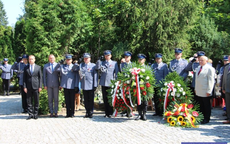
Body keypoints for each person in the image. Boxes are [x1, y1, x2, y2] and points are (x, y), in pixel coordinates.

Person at [97, 50, 119, 118]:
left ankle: (110, 112)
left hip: (111, 83)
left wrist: (116, 82)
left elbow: (117, 73)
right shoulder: (102, 63)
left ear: (111, 56)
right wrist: (98, 61)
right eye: (106, 55)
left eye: (108, 55)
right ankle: (106, 113)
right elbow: (97, 68)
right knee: (105, 98)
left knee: (110, 98)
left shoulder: (114, 63)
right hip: (103, 82)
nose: (107, 57)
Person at [195, 56, 215, 124]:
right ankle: (202, 117)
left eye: (202, 60)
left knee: (206, 105)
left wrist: (209, 91)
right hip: (199, 90)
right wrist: (195, 88)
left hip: (205, 90)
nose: (200, 61)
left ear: (206, 61)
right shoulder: (198, 68)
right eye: (200, 60)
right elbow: (196, 80)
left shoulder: (210, 69)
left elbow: (211, 80)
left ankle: (207, 118)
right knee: (201, 105)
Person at [77, 53, 98, 118]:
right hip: (84, 85)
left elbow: (95, 75)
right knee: (85, 100)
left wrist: (95, 84)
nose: (86, 59)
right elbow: (80, 74)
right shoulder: (81, 65)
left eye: (87, 58)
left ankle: (91, 112)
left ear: (90, 59)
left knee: (91, 100)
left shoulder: (93, 66)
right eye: (85, 58)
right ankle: (87, 112)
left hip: (91, 85)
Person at [23, 55, 42, 120]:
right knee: (29, 101)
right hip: (28, 87)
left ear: (34, 59)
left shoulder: (38, 67)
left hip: (36, 86)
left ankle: (35, 114)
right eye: (29, 59)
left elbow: (40, 78)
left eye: (32, 59)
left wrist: (40, 86)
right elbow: (24, 78)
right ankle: (30, 114)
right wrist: (25, 87)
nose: (30, 60)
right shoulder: (26, 67)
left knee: (36, 101)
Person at [135, 54, 148, 121]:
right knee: (138, 101)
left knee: (145, 101)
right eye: (139, 59)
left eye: (141, 59)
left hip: (145, 87)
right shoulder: (135, 68)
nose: (140, 60)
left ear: (144, 60)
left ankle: (144, 114)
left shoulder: (147, 68)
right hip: (137, 87)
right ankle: (139, 114)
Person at [222, 55, 230, 124]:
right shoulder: (227, 67)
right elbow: (224, 78)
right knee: (228, 104)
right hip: (227, 89)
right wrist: (223, 87)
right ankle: (229, 118)